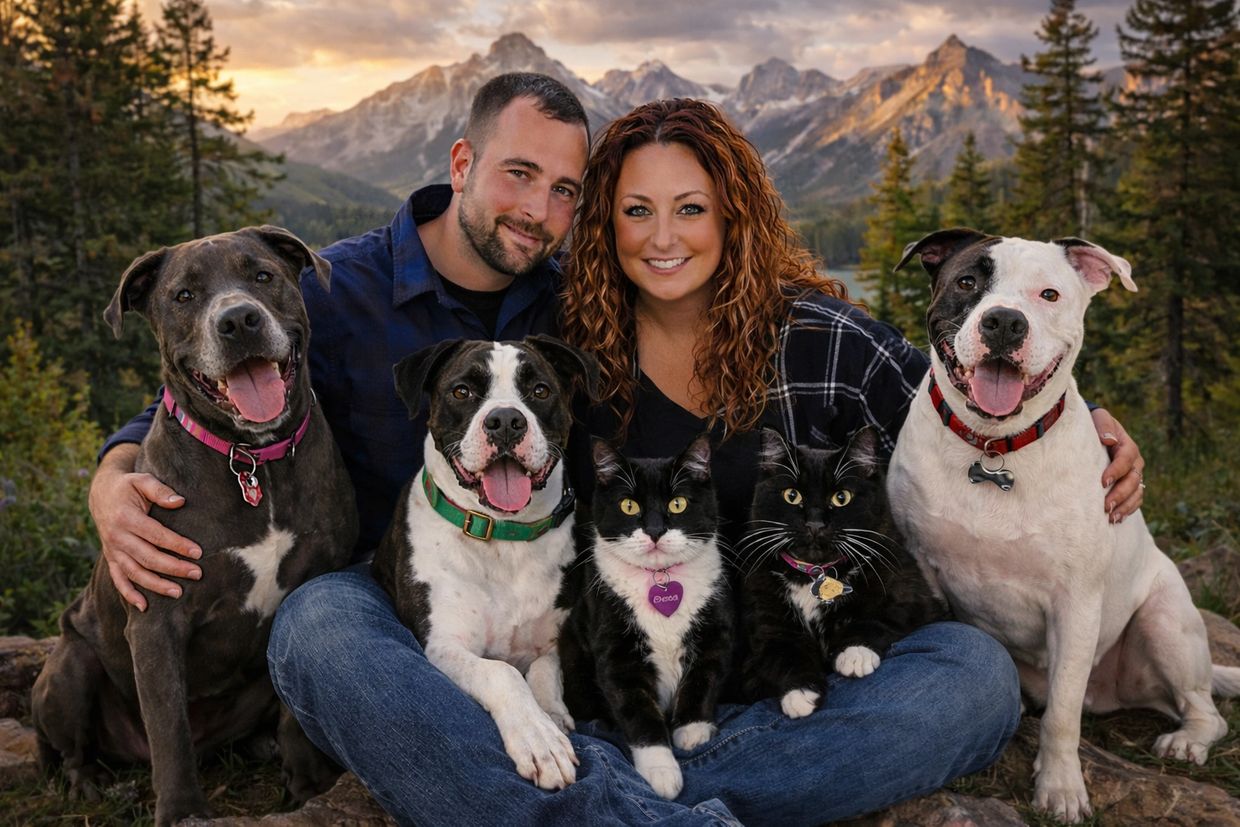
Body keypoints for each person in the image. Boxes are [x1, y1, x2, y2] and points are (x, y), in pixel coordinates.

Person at [89, 82, 1146, 825]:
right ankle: (648, 804)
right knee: (322, 626)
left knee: (967, 674)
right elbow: (231, 358)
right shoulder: (559, 336)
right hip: (549, 654)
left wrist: (1080, 424)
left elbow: (970, 398)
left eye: (690, 208)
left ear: (734, 215)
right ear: (607, 222)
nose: (662, 234)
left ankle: (577, 796)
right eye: (634, 208)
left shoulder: (826, 339)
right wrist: (117, 465)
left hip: (738, 676)